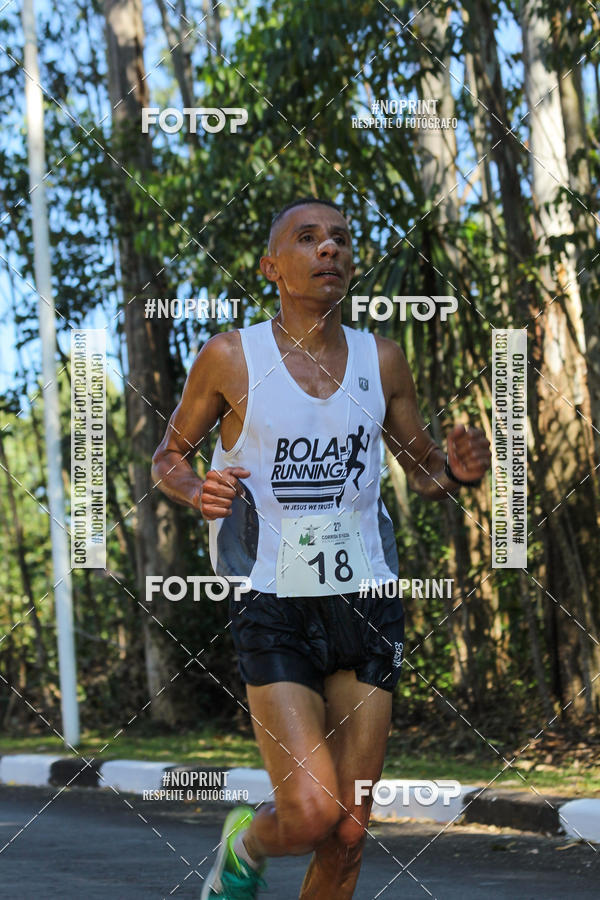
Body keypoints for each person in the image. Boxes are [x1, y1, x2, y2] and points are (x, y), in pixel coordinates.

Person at [151, 197, 491, 899]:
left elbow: (422, 467)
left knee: (348, 834)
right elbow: (168, 457)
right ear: (272, 267)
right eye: (308, 239)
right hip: (272, 600)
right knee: (309, 812)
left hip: (366, 600)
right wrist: (196, 491)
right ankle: (244, 845)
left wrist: (453, 472)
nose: (329, 249)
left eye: (340, 239)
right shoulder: (229, 356)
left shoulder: (382, 358)